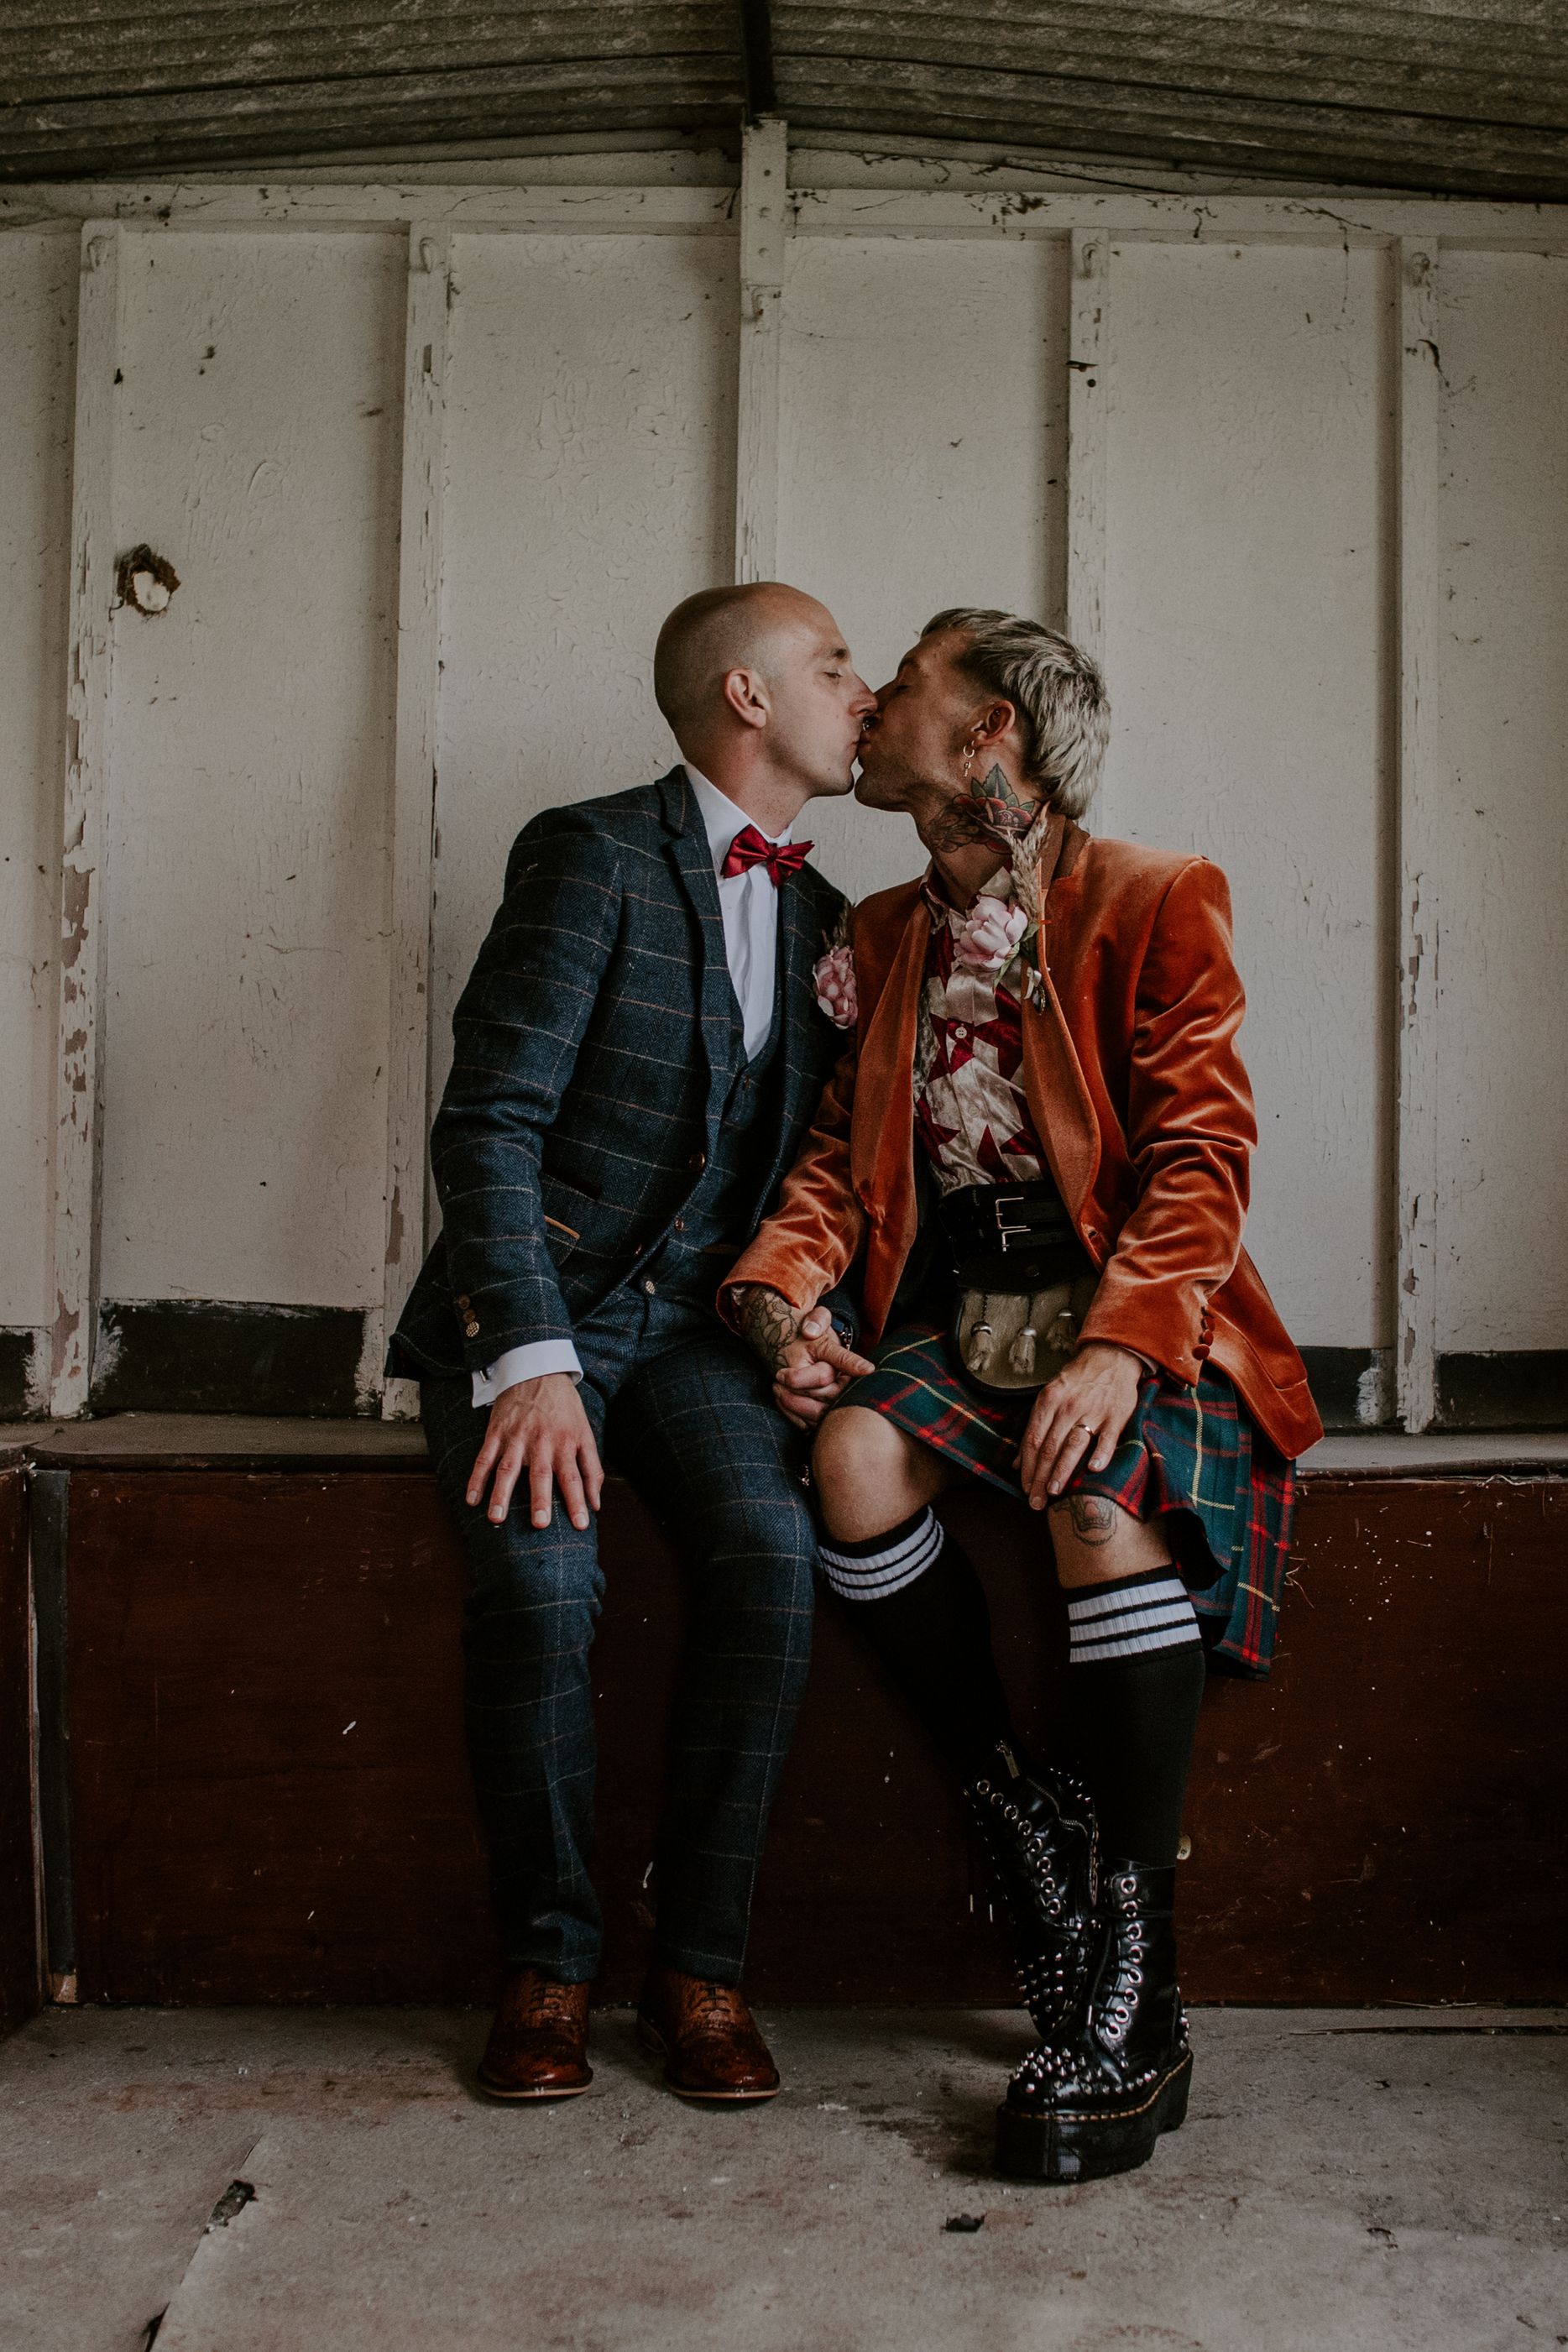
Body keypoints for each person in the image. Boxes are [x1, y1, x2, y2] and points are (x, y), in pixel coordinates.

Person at [724, 608, 1321, 2181]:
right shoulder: (882, 933)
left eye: (910, 677)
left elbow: (1202, 1155)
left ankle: (1137, 1978)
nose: (873, 699)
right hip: (969, 1310)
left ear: (992, 726)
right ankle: (1018, 1808)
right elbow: (840, 1167)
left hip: (1140, 1308)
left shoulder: (1156, 895)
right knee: (852, 1457)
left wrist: (1122, 1346)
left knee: (1093, 1500)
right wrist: (778, 1300)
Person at [391, 583, 875, 2104]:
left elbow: (816, 1175)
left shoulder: (832, 918)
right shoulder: (591, 853)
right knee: (542, 1585)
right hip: (544, 1313)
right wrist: (531, 1359)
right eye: (836, 665)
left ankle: (700, 1970)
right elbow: (489, 1122)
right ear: (747, 695)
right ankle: (548, 1964)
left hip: (701, 1339)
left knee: (773, 1561)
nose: (863, 692)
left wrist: (800, 1325)